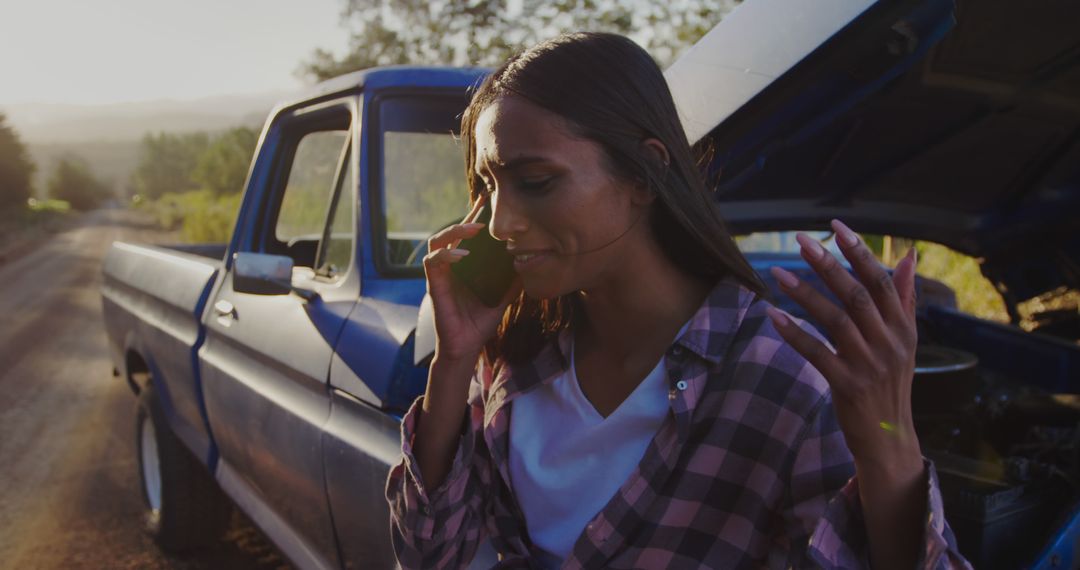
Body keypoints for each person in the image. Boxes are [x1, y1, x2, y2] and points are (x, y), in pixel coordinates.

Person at [386, 32, 971, 569]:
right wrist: (454, 360)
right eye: (489, 187)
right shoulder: (515, 359)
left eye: (535, 182)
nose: (499, 223)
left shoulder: (789, 380)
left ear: (645, 173)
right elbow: (431, 556)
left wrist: (892, 450)